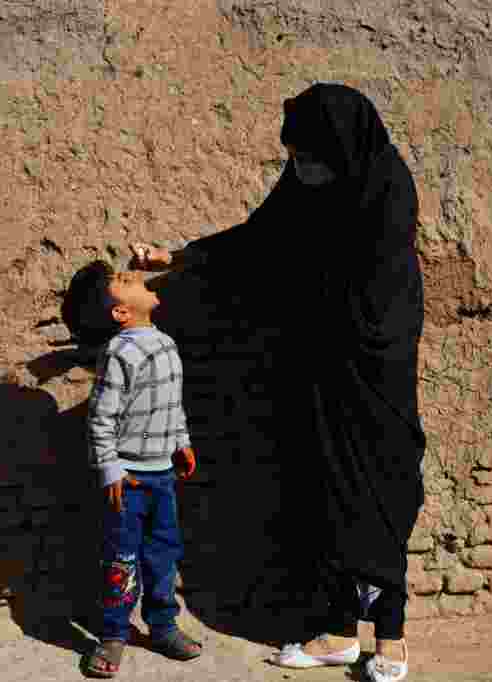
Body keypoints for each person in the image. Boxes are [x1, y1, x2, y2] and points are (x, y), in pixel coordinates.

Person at [131, 83, 425, 682]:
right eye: (293, 157)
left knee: (385, 489)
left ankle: (390, 639)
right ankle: (340, 632)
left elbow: (378, 292)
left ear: (340, 147)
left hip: (375, 373)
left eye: (308, 156)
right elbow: (259, 238)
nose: (300, 168)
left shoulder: (386, 190)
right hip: (319, 372)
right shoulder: (306, 188)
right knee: (324, 494)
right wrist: (181, 258)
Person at [64, 261, 202, 678]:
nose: (134, 276)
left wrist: (182, 442)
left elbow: (172, 404)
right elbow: (101, 418)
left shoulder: (165, 344)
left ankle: (162, 626)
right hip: (129, 479)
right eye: (124, 282)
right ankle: (113, 634)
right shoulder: (119, 352)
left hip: (163, 478)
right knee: (122, 559)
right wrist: (110, 470)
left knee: (164, 555)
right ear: (121, 313)